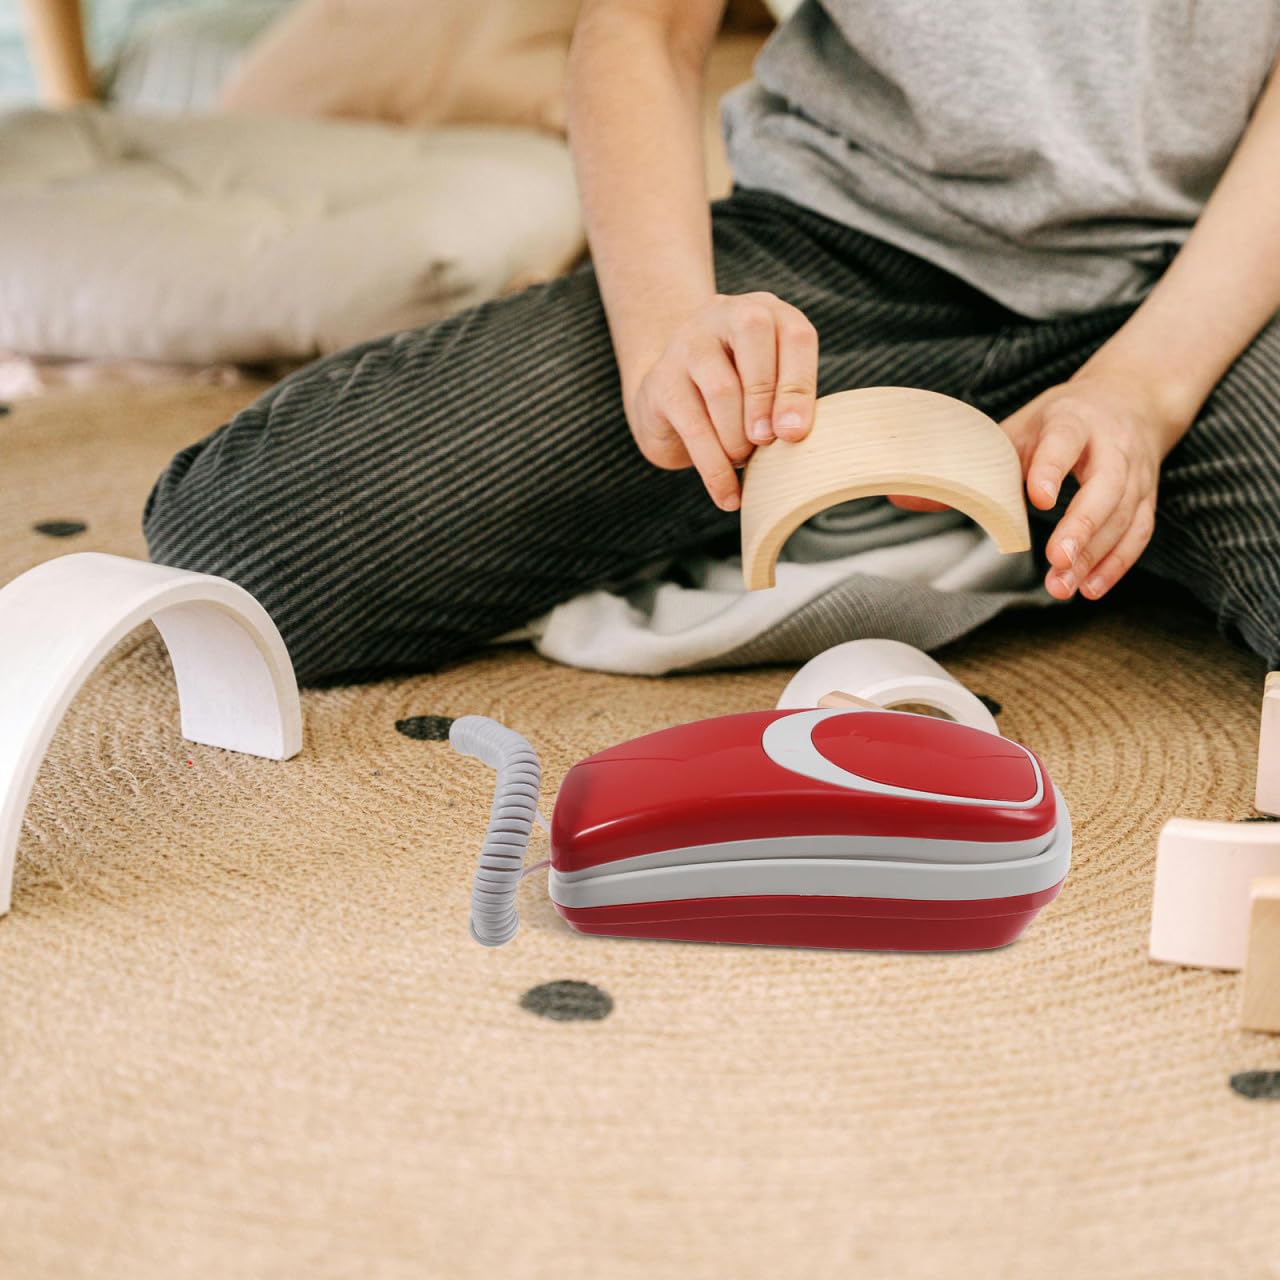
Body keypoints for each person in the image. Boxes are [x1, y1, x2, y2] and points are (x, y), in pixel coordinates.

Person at [143, 0, 1280, 685]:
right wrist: (664, 334)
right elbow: (642, 26)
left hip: (1203, 287)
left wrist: (1145, 389)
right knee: (244, 556)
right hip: (834, 249)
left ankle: (1099, 509)